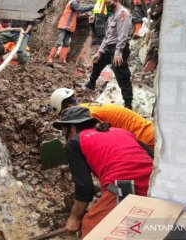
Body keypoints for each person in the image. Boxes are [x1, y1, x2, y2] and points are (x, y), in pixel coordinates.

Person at [52, 106, 153, 238]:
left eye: (64, 131)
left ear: (72, 127)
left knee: (90, 227)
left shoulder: (74, 142)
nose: (65, 137)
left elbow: (84, 187)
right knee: (135, 228)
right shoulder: (122, 131)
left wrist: (74, 218)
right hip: (153, 182)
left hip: (125, 185)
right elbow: (152, 156)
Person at [49, 88, 154, 150]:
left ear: (70, 107)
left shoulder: (88, 115)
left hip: (144, 137)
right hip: (145, 131)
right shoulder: (86, 108)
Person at [82, 0, 133, 109]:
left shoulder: (122, 14)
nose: (106, 5)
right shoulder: (112, 15)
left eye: (108, 2)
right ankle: (91, 84)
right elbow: (107, 37)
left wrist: (118, 52)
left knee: (122, 77)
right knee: (97, 61)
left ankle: (128, 104)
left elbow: (123, 36)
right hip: (109, 48)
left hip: (118, 49)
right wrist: (99, 52)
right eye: (105, 3)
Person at [47, 0, 94, 67]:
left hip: (70, 27)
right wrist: (93, 6)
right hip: (64, 25)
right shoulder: (73, 2)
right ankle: (50, 58)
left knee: (66, 43)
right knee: (58, 42)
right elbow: (81, 9)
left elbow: (78, 13)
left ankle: (62, 59)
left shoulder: (76, 3)